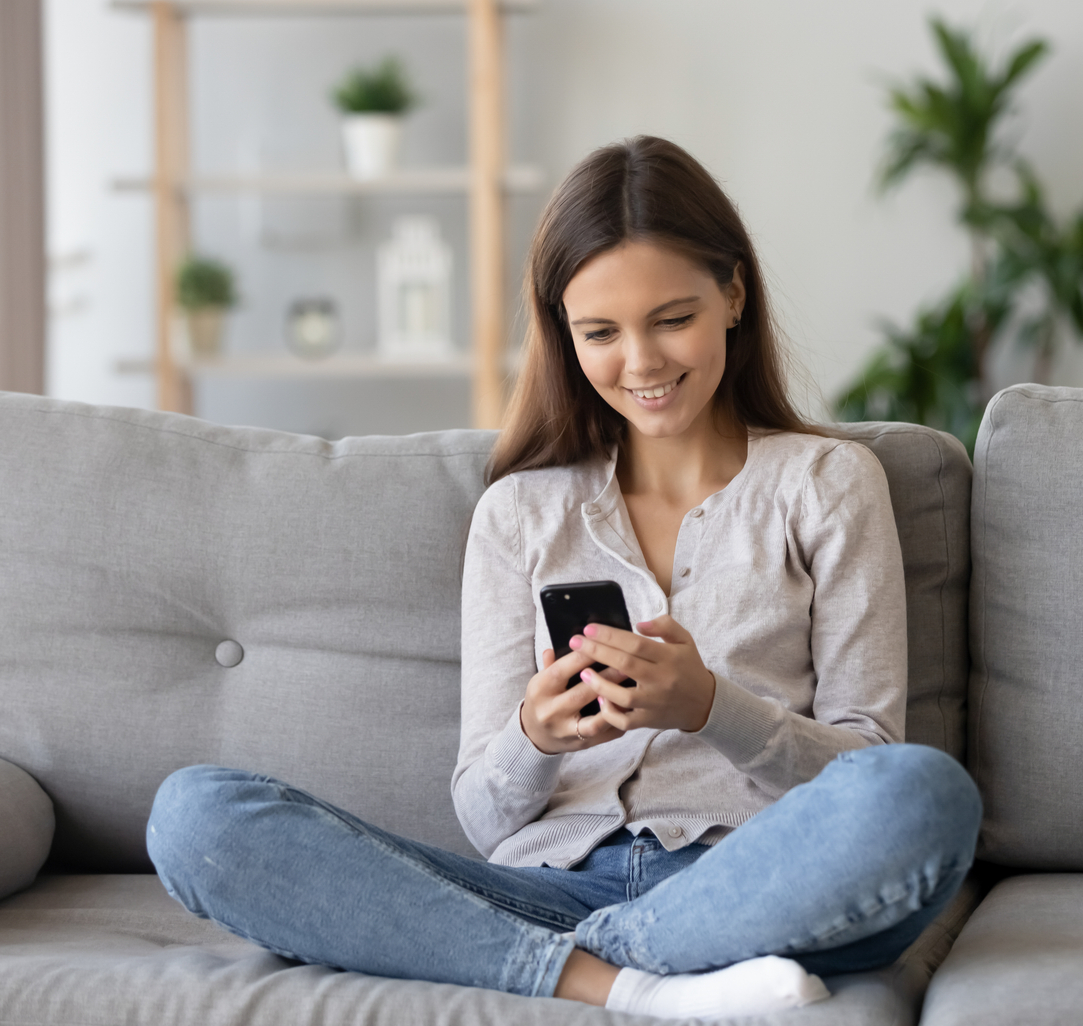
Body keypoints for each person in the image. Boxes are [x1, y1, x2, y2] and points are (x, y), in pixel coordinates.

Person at [147, 135, 981, 1019]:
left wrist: (709, 707)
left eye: (672, 319)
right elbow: (485, 812)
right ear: (563, 335)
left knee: (922, 795)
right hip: (544, 889)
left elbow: (868, 763)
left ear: (733, 296)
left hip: (751, 884)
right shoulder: (519, 514)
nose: (643, 363)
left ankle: (602, 960)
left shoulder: (826, 483)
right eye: (601, 333)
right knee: (196, 817)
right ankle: (634, 986)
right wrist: (535, 737)